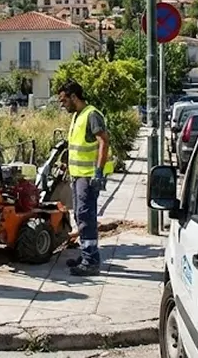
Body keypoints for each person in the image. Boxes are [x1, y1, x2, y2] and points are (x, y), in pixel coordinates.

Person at [57, 80, 110, 277]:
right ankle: (87, 254)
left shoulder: (91, 114)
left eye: (64, 101)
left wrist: (99, 171)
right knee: (80, 215)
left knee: (86, 216)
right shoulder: (78, 116)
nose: (63, 105)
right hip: (78, 175)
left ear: (73, 97)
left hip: (88, 177)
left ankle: (91, 261)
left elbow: (104, 141)